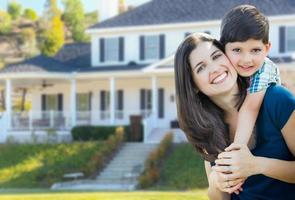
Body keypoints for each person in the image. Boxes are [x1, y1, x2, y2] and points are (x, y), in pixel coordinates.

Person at [174, 32, 295, 200]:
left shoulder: (276, 99)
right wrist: (217, 182)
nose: (215, 68)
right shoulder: (206, 127)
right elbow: (219, 197)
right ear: (193, 85)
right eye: (201, 68)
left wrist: (256, 165)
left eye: (216, 56)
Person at [220, 5, 281, 149]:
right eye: (237, 50)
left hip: (271, 133)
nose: (246, 60)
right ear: (223, 48)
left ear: (267, 49)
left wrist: (237, 148)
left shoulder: (265, 69)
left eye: (255, 50)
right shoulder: (227, 70)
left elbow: (250, 108)